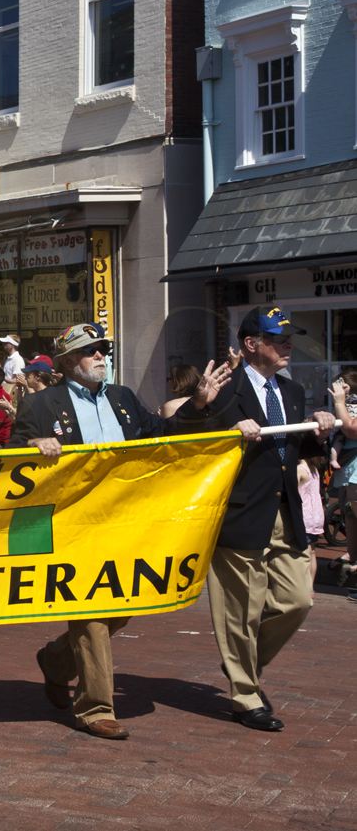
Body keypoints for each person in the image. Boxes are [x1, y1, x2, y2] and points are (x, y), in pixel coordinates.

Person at [12, 323, 232, 739]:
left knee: (123, 605)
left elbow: (163, 435)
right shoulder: (41, 403)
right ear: (64, 362)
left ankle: (56, 660)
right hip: (73, 524)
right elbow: (11, 460)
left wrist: (199, 404)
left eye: (103, 349)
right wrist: (32, 446)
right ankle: (95, 707)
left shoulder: (123, 398)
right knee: (91, 611)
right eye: (90, 350)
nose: (100, 356)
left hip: (126, 522)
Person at [177, 307, 336, 731]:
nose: (288, 346)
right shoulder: (222, 391)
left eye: (289, 338)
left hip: (286, 512)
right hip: (241, 513)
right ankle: (246, 696)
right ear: (251, 344)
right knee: (240, 612)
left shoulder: (292, 391)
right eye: (278, 338)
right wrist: (204, 409)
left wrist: (319, 429)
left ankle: (242, 665)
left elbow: (292, 452)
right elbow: (181, 435)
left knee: (297, 601)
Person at [327, 371, 357, 589]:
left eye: (343, 385)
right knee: (348, 510)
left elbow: (350, 429)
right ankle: (352, 553)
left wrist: (339, 402)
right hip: (347, 464)